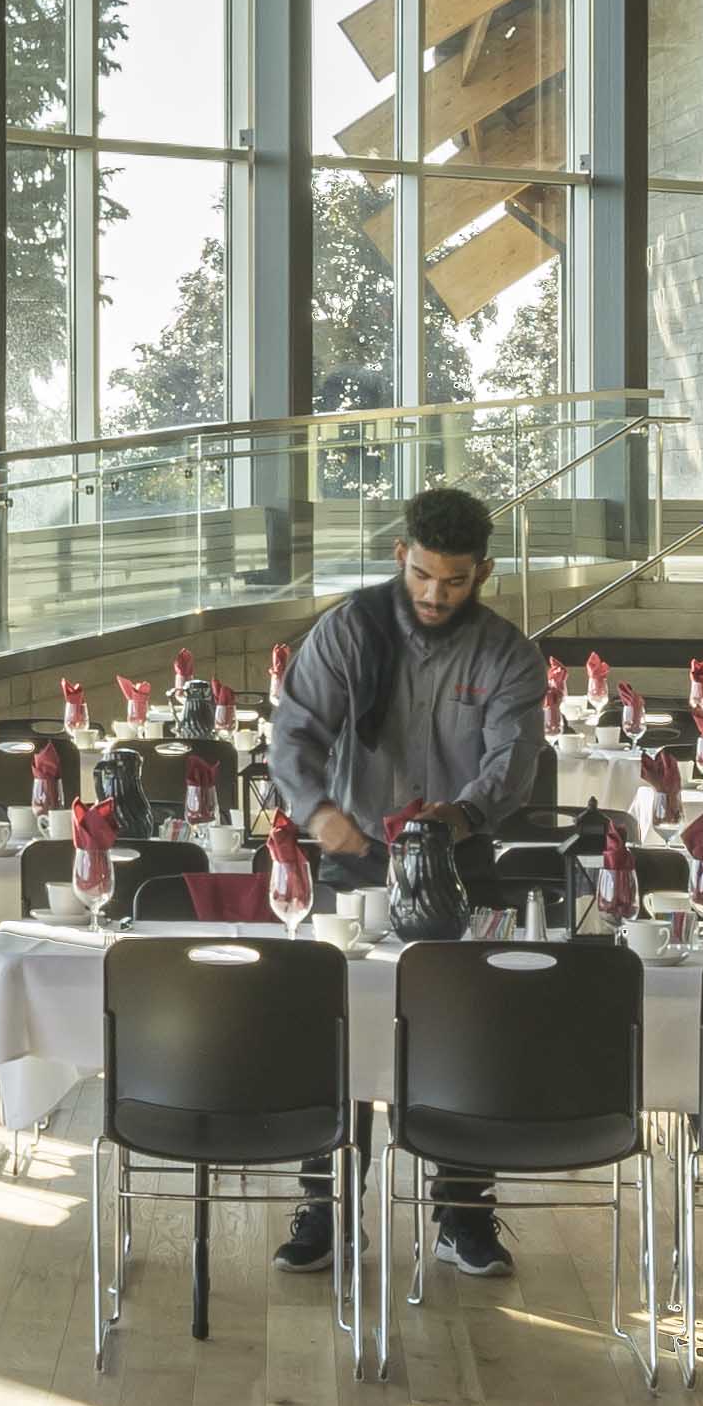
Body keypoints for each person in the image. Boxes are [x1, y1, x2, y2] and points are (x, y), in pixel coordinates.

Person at [258, 485, 547, 1279]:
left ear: (483, 572)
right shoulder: (348, 630)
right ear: (401, 557)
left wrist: (452, 820)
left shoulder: (508, 654)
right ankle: (324, 1206)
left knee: (466, 1031)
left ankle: (463, 1212)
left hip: (463, 858)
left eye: (454, 581)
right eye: (423, 575)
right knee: (330, 1027)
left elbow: (511, 764)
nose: (434, 594)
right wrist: (318, 816)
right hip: (351, 856)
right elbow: (294, 734)